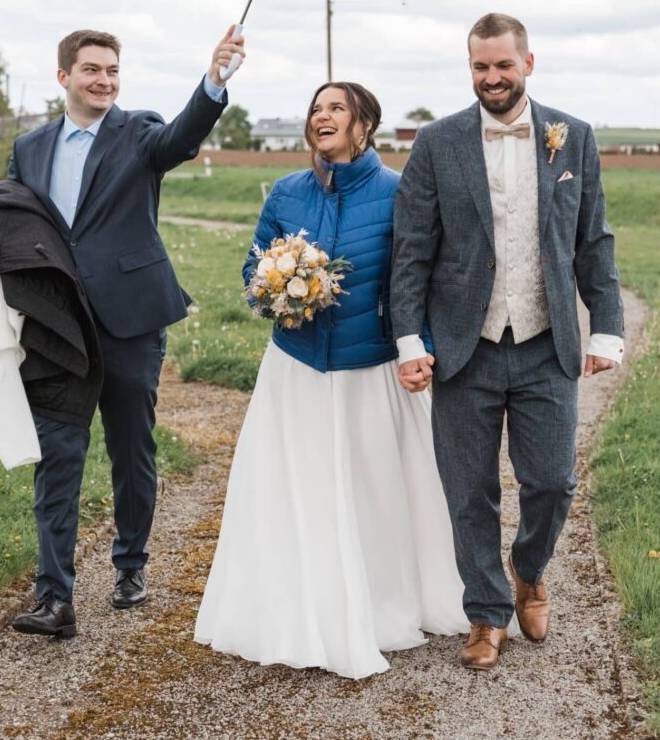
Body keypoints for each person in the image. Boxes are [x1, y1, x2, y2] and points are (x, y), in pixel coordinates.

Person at [195, 81, 469, 680]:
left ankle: (377, 606)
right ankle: (297, 604)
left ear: (363, 124)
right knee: (296, 488)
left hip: (368, 371)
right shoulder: (287, 192)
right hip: (294, 370)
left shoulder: (399, 193)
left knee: (373, 490)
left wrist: (415, 347)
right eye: (315, 108)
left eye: (335, 108)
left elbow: (412, 281)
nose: (321, 116)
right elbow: (252, 265)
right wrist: (274, 290)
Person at [391, 13, 624, 672]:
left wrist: (605, 325)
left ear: (528, 63)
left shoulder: (571, 137)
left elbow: (593, 242)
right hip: (465, 348)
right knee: (468, 492)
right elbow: (411, 251)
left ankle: (529, 569)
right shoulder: (437, 143)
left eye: (502, 65)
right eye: (479, 67)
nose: (491, 78)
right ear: (470, 68)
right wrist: (409, 337)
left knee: (551, 482)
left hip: (546, 345)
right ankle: (487, 614)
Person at [8, 25, 244, 638]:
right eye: (92, 70)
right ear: (64, 76)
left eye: (113, 70)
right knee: (57, 456)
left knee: (130, 449)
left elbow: (182, 139)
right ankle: (54, 596)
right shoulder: (29, 148)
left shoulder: (140, 133)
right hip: (58, 326)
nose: (105, 80)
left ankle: (130, 565)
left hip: (130, 321)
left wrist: (213, 81)